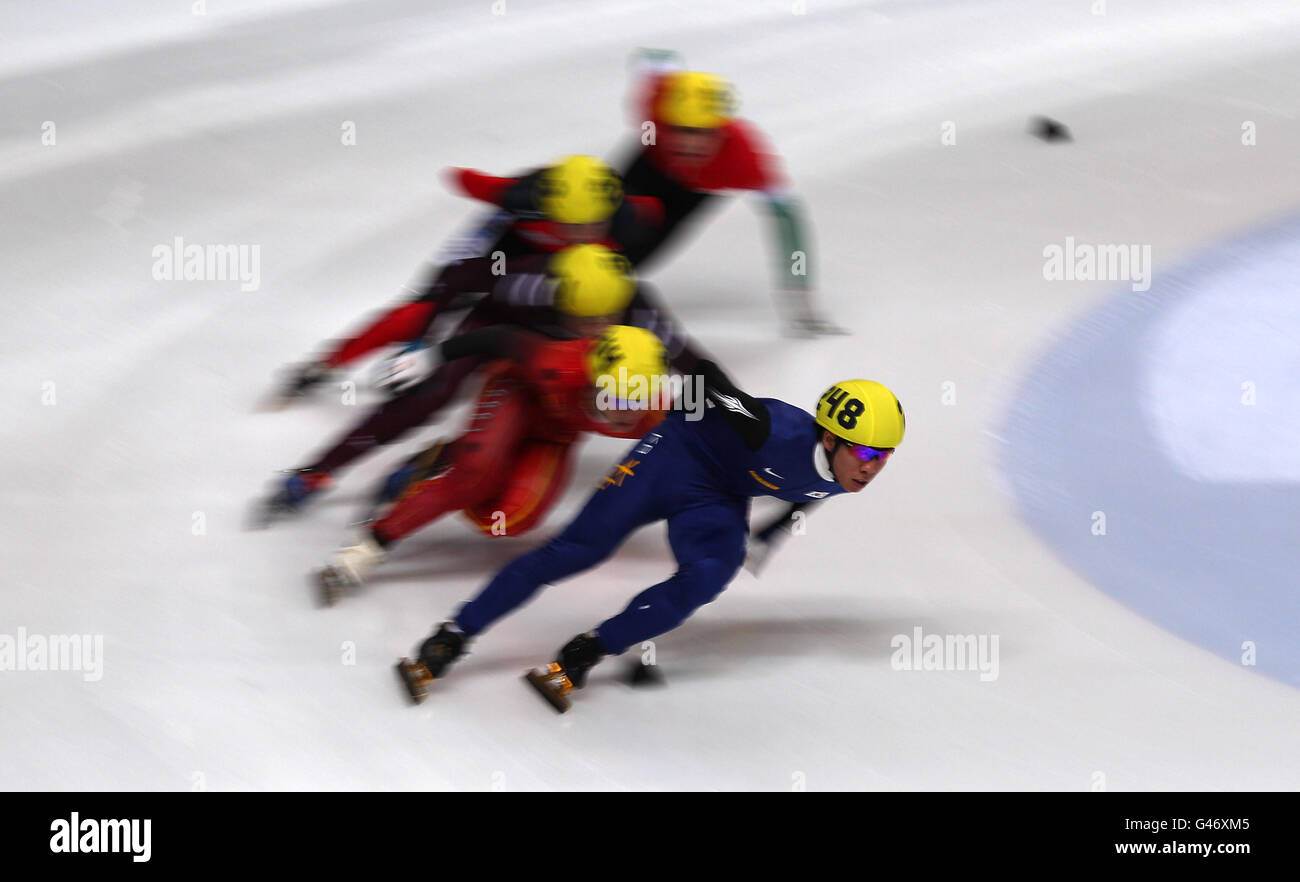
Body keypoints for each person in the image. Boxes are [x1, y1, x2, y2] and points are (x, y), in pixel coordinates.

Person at [395, 368, 905, 711]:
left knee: (707, 577)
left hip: (719, 494)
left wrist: (773, 531)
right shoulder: (770, 429)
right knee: (577, 551)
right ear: (830, 437)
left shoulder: (843, 473)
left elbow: (812, 488)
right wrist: (682, 403)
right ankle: (452, 636)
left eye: (885, 457)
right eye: (866, 454)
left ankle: (587, 651)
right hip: (673, 456)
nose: (874, 468)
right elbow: (704, 375)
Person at [256, 244, 703, 524]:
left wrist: (745, 418)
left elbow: (696, 365)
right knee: (429, 396)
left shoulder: (639, 310)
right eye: (583, 320)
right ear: (559, 297)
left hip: (545, 365)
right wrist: (426, 344)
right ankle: (317, 471)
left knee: (525, 433)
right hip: (494, 329)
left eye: (606, 319)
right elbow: (453, 282)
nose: (596, 328)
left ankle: (441, 458)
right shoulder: (528, 281)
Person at [316, 324, 675, 604]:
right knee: (475, 476)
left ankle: (452, 459)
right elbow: (500, 339)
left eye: (638, 403)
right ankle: (373, 543)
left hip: (553, 434)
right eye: (613, 398)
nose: (623, 415)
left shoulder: (653, 416)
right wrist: (433, 357)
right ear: (593, 378)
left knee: (511, 520)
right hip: (515, 394)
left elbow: (707, 437)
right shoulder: (557, 362)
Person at [272, 155, 663, 404]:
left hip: (546, 264)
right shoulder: (520, 198)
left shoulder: (628, 222)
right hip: (500, 245)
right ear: (549, 209)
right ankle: (327, 363)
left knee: (575, 307)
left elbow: (652, 216)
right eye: (569, 225)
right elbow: (470, 182)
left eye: (591, 226)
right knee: (424, 307)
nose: (580, 235)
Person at [615, 56, 846, 336]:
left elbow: (789, 224)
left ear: (722, 132)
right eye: (679, 130)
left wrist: (801, 297)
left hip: (692, 193)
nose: (689, 144)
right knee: (597, 216)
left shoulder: (744, 157)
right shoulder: (656, 108)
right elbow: (655, 65)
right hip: (651, 163)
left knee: (630, 259)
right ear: (665, 122)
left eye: (702, 133)